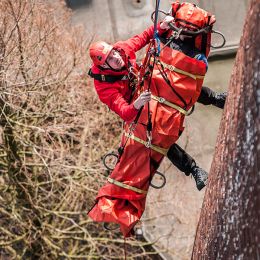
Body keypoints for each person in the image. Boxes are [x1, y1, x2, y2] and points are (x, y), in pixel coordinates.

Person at [88, 16, 226, 191]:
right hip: (135, 105)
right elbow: (123, 111)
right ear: (104, 66)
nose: (116, 57)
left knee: (174, 83)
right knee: (155, 136)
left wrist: (162, 26)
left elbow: (144, 37)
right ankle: (193, 169)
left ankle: (217, 99)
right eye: (110, 58)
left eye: (113, 53)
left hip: (144, 82)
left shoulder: (121, 50)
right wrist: (137, 104)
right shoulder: (104, 87)